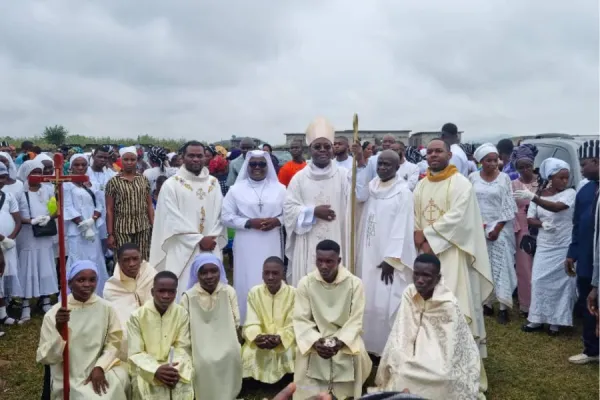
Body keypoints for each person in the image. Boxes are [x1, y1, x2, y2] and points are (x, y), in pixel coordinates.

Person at [413, 138, 492, 395]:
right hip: (425, 258)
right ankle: (428, 365)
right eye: (430, 152)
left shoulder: (461, 184)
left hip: (452, 257)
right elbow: (414, 216)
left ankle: (459, 367)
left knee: (454, 308)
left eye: (439, 151)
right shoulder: (421, 185)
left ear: (449, 154)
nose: (434, 155)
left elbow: (459, 218)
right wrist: (421, 241)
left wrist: (428, 238)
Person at [374, 254, 482, 400]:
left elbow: (451, 346)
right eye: (416, 274)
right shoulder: (409, 293)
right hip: (410, 350)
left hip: (439, 357)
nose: (420, 280)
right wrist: (403, 357)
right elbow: (402, 330)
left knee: (443, 378)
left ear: (438, 278)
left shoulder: (448, 303)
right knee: (402, 370)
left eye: (426, 276)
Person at [284, 117, 369, 285]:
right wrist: (312, 212)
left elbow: (361, 196)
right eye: (317, 146)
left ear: (332, 150)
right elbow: (289, 208)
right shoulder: (299, 179)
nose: (322, 150)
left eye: (326, 146)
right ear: (310, 150)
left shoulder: (344, 175)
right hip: (308, 240)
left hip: (338, 235)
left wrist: (359, 160)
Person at [36, 260, 129, 399]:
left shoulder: (107, 308)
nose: (87, 285)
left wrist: (100, 367)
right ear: (69, 283)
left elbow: (114, 343)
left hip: (103, 366)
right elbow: (47, 357)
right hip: (69, 375)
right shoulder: (54, 314)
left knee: (118, 384)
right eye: (81, 280)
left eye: (92, 280)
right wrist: (60, 331)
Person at [293, 240, 372, 399]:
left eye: (329, 261)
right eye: (319, 261)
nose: (323, 266)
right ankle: (311, 392)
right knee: (303, 352)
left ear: (339, 261)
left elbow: (356, 320)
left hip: (345, 336)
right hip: (316, 335)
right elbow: (301, 319)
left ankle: (346, 392)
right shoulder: (306, 283)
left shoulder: (354, 284)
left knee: (358, 352)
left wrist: (339, 342)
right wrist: (315, 341)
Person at [150, 141, 227, 298]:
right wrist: (198, 239)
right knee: (184, 289)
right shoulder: (171, 185)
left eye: (199, 156)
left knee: (213, 289)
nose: (196, 159)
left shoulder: (213, 183)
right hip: (182, 248)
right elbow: (171, 218)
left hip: (210, 245)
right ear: (182, 158)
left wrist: (211, 237)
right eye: (191, 155)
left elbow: (221, 214)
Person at [359, 150, 416, 356]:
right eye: (380, 163)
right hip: (367, 251)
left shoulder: (403, 193)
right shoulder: (371, 188)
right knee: (367, 296)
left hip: (389, 259)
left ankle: (386, 348)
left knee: (385, 298)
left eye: (387, 165)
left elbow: (403, 227)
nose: (382, 167)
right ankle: (366, 344)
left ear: (397, 167)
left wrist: (391, 259)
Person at [222, 150, 286, 321]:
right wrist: (249, 223)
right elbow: (225, 216)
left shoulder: (280, 189)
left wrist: (277, 221)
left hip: (271, 240)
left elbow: (290, 213)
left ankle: (274, 321)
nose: (257, 167)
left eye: (261, 164)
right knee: (247, 278)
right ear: (247, 166)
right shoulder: (236, 190)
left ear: (268, 166)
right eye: (253, 164)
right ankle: (246, 320)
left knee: (271, 277)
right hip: (246, 241)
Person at [517, 158, 577, 335]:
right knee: (538, 281)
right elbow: (530, 218)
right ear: (551, 177)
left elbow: (557, 207)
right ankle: (536, 319)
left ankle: (555, 322)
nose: (565, 181)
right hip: (545, 245)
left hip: (563, 245)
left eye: (567, 178)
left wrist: (533, 197)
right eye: (561, 178)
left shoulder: (570, 194)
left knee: (561, 283)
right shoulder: (541, 193)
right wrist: (542, 225)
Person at [181, 253, 242, 400]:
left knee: (231, 354)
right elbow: (183, 328)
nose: (209, 276)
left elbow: (236, 322)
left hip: (226, 340)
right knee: (204, 362)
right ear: (197, 274)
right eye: (204, 272)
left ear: (220, 271)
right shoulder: (188, 297)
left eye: (213, 271)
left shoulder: (228, 291)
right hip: (199, 345)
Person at [470, 144, 518, 324]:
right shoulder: (473, 177)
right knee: (483, 265)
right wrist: (478, 225)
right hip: (479, 228)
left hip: (500, 229)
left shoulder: (504, 178)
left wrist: (496, 228)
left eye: (495, 159)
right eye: (488, 160)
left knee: (501, 266)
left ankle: (504, 306)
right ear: (480, 161)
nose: (493, 163)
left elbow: (508, 205)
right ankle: (486, 303)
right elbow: (469, 203)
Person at [127, 270, 194, 399]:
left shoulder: (182, 314)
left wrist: (171, 370)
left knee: (181, 385)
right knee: (145, 387)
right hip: (145, 368)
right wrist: (155, 370)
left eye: (171, 291)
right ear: (152, 292)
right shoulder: (137, 316)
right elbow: (136, 353)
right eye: (161, 291)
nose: (166, 295)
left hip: (174, 366)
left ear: (176, 292)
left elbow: (183, 346)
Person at [566, 140, 599, 364]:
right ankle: (591, 350)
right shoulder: (586, 190)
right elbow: (577, 225)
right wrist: (572, 253)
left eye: (584, 164)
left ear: (597, 161)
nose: (581, 169)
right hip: (587, 260)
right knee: (589, 306)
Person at [242, 256, 296, 384]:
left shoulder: (294, 293)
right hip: (260, 339)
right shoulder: (254, 292)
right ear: (262, 274)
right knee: (248, 352)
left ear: (283, 274)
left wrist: (280, 338)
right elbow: (251, 321)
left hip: (285, 339)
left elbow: (293, 324)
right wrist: (257, 337)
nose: (270, 277)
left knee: (289, 351)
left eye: (275, 273)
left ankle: (288, 378)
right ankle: (252, 381)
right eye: (267, 273)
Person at [17, 160, 58, 323]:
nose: (38, 176)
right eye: (34, 173)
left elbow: (55, 209)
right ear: (27, 175)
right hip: (28, 236)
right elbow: (16, 214)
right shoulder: (21, 192)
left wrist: (49, 217)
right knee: (28, 267)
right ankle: (26, 304)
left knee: (45, 266)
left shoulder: (48, 190)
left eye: (40, 173)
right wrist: (30, 221)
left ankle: (46, 300)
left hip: (45, 235)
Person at [63, 154, 109, 296]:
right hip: (76, 231)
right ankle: (74, 295)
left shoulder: (92, 184)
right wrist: (82, 224)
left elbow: (99, 205)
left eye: (83, 164)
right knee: (77, 260)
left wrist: (92, 221)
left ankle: (97, 293)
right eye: (77, 165)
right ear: (71, 167)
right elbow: (68, 206)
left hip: (92, 229)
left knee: (94, 258)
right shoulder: (66, 185)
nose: (80, 167)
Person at [103, 243, 156, 360]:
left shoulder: (151, 275)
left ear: (141, 259)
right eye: (126, 260)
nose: (131, 264)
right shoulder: (111, 287)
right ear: (119, 262)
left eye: (135, 259)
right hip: (128, 332)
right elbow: (118, 319)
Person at [105, 146, 154, 261]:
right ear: (121, 160)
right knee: (123, 259)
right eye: (126, 159)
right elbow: (109, 209)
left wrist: (153, 225)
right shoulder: (113, 182)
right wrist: (110, 234)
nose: (129, 162)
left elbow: (149, 205)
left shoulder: (143, 180)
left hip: (142, 227)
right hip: (121, 229)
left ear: (137, 161)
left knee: (142, 259)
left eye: (132, 160)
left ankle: (143, 279)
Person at [510, 144, 539, 316]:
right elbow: (510, 207)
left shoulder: (542, 182)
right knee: (524, 268)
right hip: (522, 228)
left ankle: (540, 304)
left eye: (528, 166)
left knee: (539, 267)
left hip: (539, 228)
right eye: (521, 167)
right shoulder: (514, 184)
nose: (525, 170)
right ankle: (526, 305)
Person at [0, 163, 21, 326]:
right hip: (3, 241)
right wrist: (2, 239)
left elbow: (18, 220)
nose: (1, 180)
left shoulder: (7, 197)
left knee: (2, 276)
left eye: (3, 177)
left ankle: (3, 312)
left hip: (7, 244)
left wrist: (11, 239)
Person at [87, 146, 116, 245]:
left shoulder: (111, 175)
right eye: (100, 157)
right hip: (91, 215)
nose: (103, 160)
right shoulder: (85, 173)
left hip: (108, 214)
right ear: (93, 156)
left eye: (105, 158)